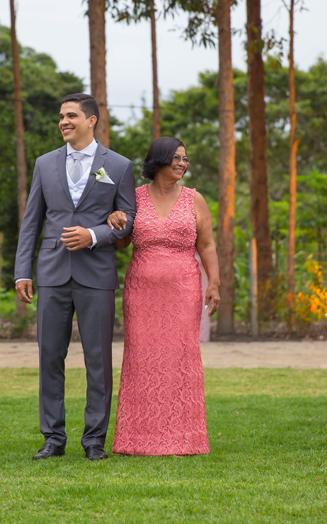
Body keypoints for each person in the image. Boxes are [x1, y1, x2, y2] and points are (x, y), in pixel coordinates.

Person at [14, 93, 137, 461]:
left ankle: (94, 440)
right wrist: (22, 271)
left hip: (96, 274)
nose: (63, 122)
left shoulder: (118, 165)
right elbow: (31, 221)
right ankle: (53, 439)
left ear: (91, 120)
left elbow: (128, 220)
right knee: (50, 357)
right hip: (51, 273)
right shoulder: (44, 164)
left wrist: (94, 235)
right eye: (61, 117)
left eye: (71, 116)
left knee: (98, 361)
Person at [107, 138, 219, 456]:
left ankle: (185, 438)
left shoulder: (195, 199)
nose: (182, 164)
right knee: (142, 360)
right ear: (159, 161)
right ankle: (136, 439)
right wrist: (114, 222)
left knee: (180, 359)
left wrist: (214, 283)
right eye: (177, 158)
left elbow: (207, 245)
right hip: (141, 292)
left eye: (185, 159)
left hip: (183, 291)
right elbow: (121, 243)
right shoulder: (134, 197)